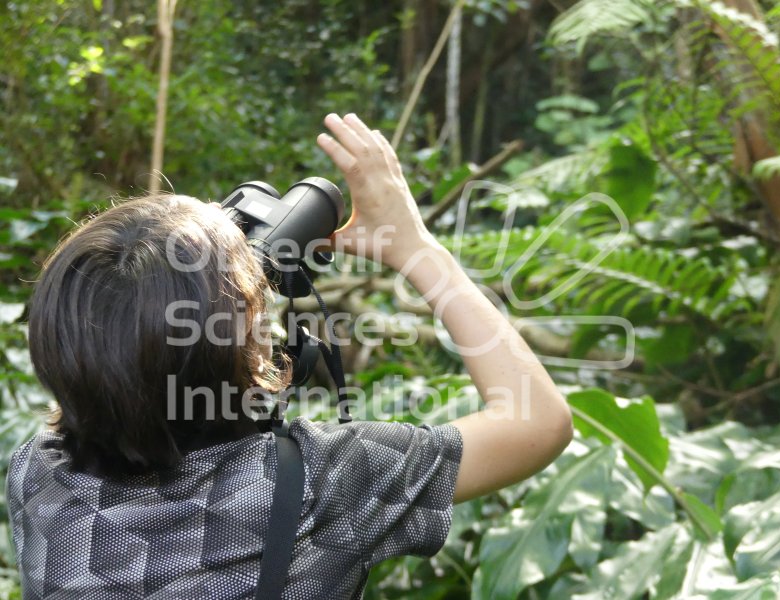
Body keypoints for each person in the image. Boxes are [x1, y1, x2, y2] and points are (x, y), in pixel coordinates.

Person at [6, 113, 572, 599]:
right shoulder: (318, 485)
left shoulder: (37, 476)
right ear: (255, 359)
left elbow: (129, 375)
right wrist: (417, 247)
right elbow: (537, 421)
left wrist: (207, 286)